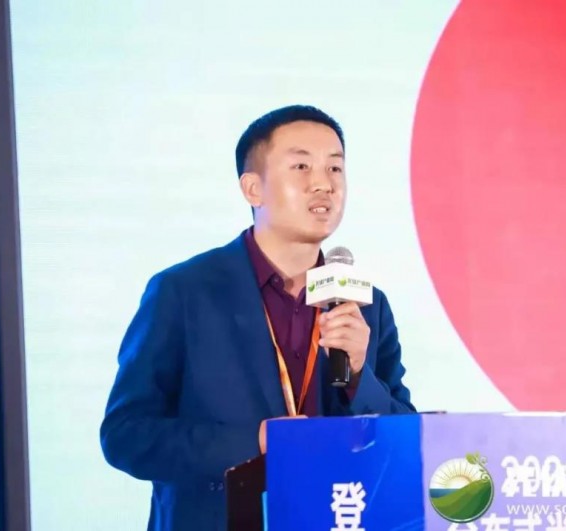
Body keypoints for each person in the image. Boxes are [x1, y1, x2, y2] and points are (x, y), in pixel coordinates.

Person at [99, 104, 415, 531]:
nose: (323, 183)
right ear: (252, 189)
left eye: (335, 168)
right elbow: (126, 435)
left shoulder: (366, 305)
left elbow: (405, 442)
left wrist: (360, 377)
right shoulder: (184, 291)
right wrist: (254, 442)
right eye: (301, 166)